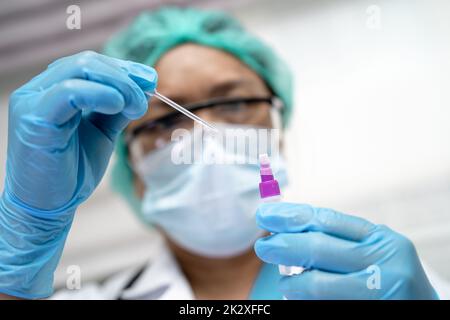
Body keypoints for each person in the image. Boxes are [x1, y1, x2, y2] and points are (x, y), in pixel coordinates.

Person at [0, 7, 445, 300]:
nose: (205, 138)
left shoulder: (376, 280)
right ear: (133, 172)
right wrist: (19, 258)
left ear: (277, 132)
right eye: (164, 121)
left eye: (233, 103)